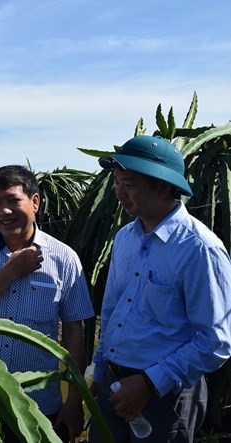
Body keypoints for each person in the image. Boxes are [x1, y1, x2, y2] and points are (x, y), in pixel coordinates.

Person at [89, 135, 231, 442]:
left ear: (163, 186)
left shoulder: (199, 248)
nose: (118, 192)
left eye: (128, 183)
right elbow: (112, 311)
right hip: (114, 386)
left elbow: (215, 341)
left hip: (166, 398)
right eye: (116, 182)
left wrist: (150, 383)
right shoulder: (125, 237)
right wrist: (100, 370)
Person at [0, 165, 94, 442]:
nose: (4, 211)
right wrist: (10, 272)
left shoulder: (64, 258)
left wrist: (74, 402)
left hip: (41, 403)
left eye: (13, 201)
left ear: (35, 202)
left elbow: (75, 335)